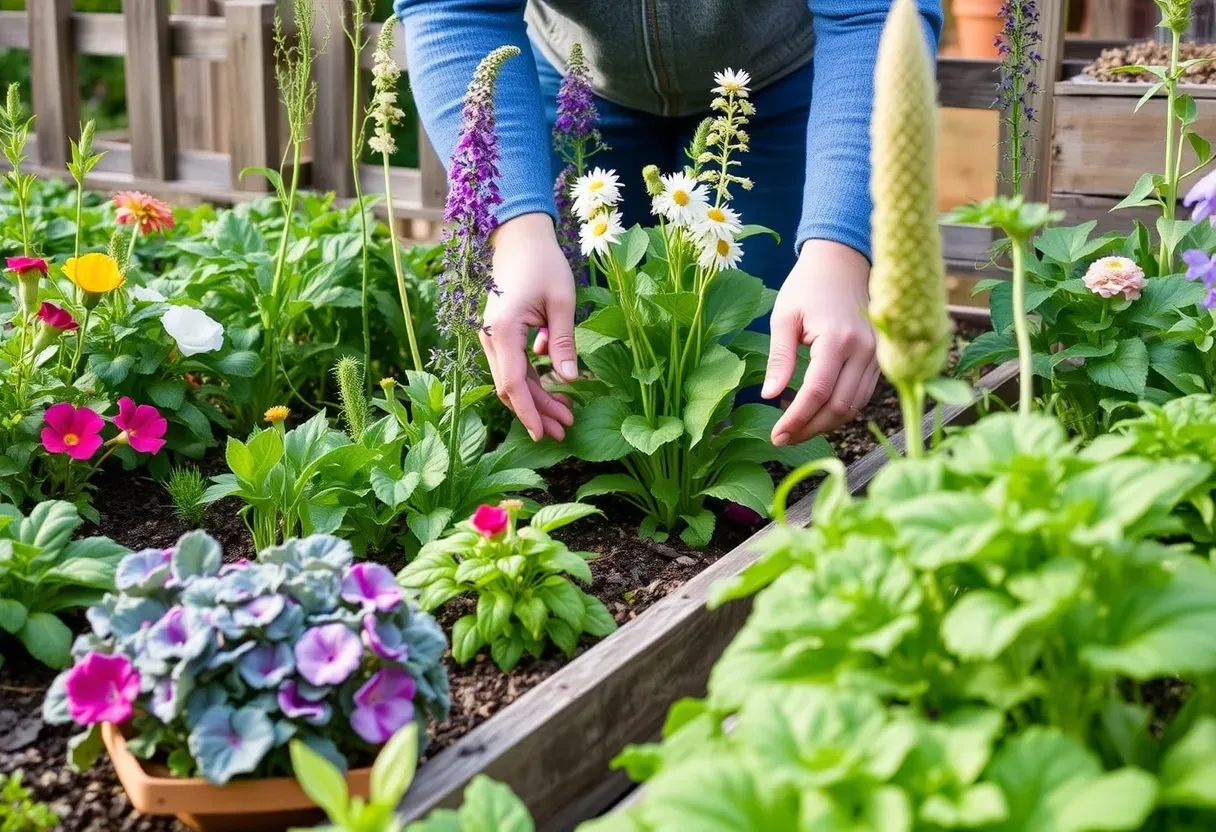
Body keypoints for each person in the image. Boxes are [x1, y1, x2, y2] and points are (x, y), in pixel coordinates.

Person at [394, 0, 944, 446]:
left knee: (766, 390)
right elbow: (457, 7)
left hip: (778, 84)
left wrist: (838, 251)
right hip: (576, 81)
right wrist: (516, 227)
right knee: (600, 365)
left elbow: (874, 13)